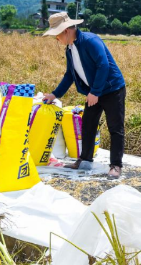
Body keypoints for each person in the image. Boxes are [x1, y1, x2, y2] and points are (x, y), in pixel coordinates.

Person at [42, 12, 126, 179]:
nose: (56, 40)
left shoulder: (90, 40)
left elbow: (103, 66)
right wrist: (54, 94)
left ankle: (116, 165)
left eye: (56, 35)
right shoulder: (70, 50)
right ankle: (85, 160)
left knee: (115, 128)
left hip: (112, 89)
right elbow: (69, 75)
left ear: (65, 30)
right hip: (94, 92)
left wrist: (95, 92)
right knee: (88, 124)